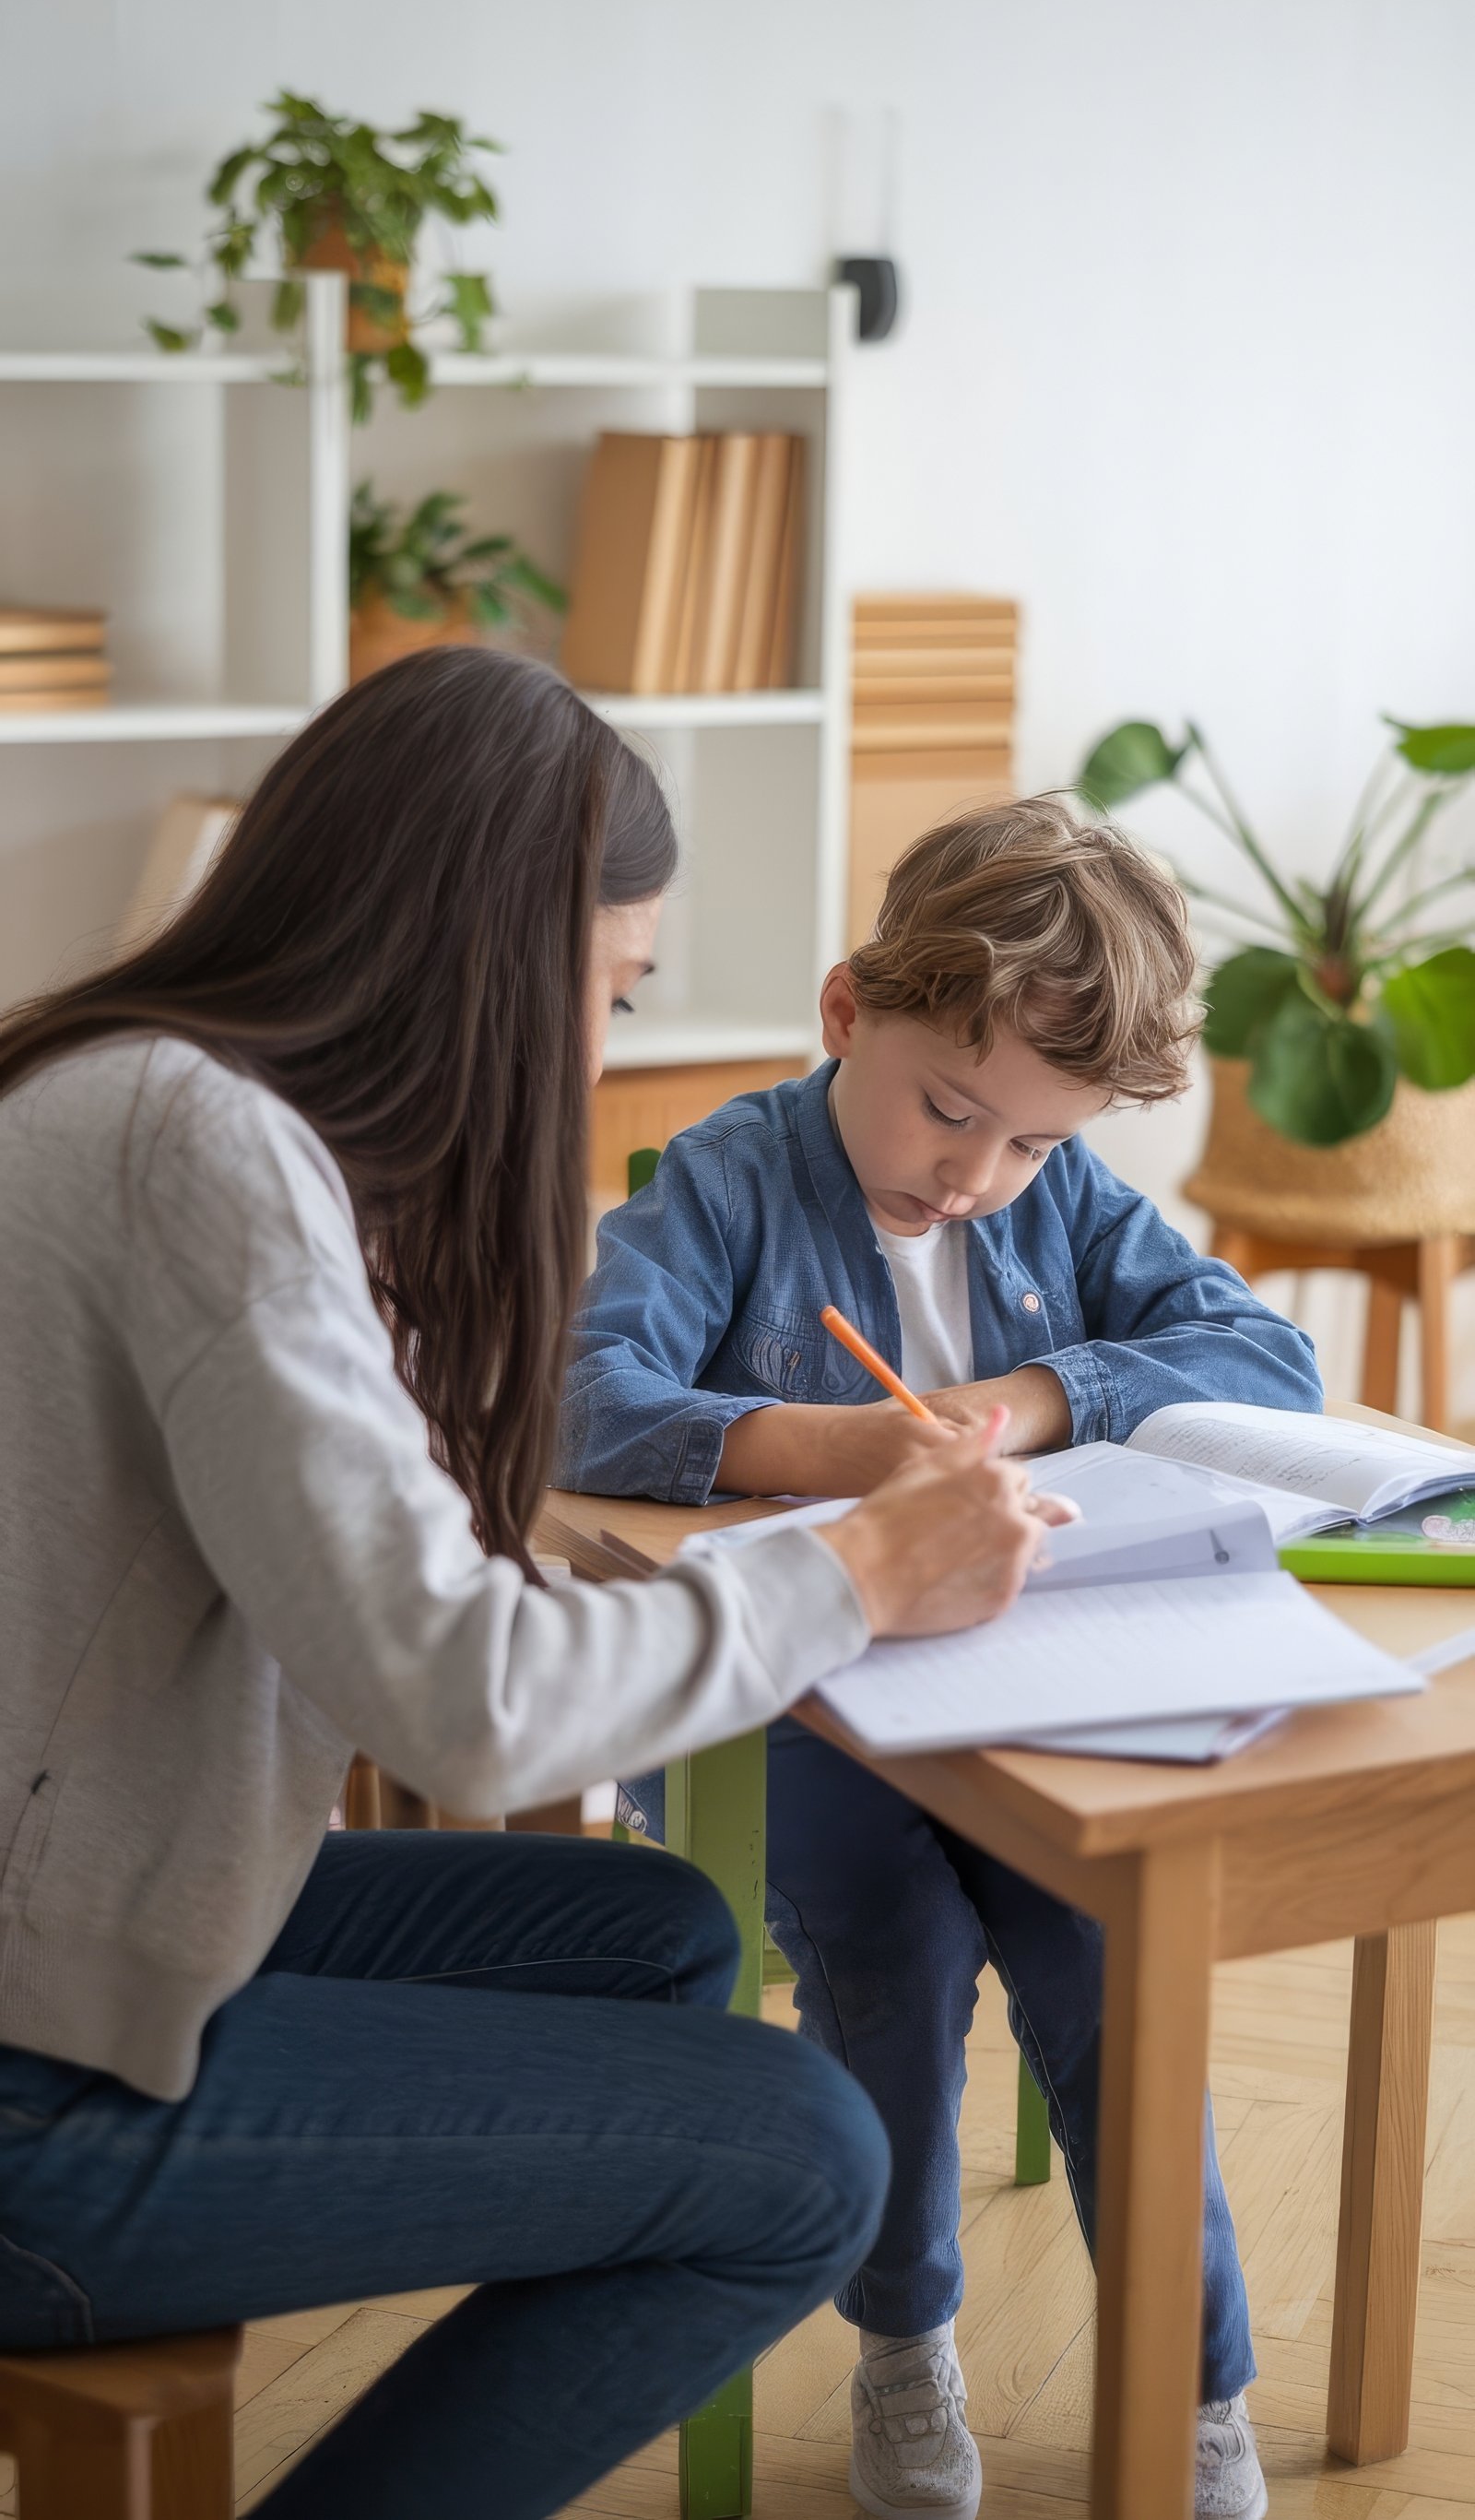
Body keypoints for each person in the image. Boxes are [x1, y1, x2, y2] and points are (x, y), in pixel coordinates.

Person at [0, 653, 1078, 2520]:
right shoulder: (203, 1156)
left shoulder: (146, 1092)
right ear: (476, 953)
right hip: (33, 2084)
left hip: (74, 1918)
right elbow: (464, 1695)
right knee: (808, 2154)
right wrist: (853, 1572)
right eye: (608, 985)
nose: (594, 1047)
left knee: (653, 1929)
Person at [559, 794, 1323, 2520]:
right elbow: (584, 1401)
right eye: (951, 1109)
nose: (975, 1175)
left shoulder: (1049, 1206)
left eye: (1033, 1147)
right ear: (848, 1014)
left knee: (1115, 1952)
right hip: (805, 1709)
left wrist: (1042, 1398)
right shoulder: (729, 1179)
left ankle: (1192, 2381)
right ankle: (905, 2342)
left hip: (1030, 1692)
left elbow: (1261, 1349)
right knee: (889, 1962)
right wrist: (851, 1451)